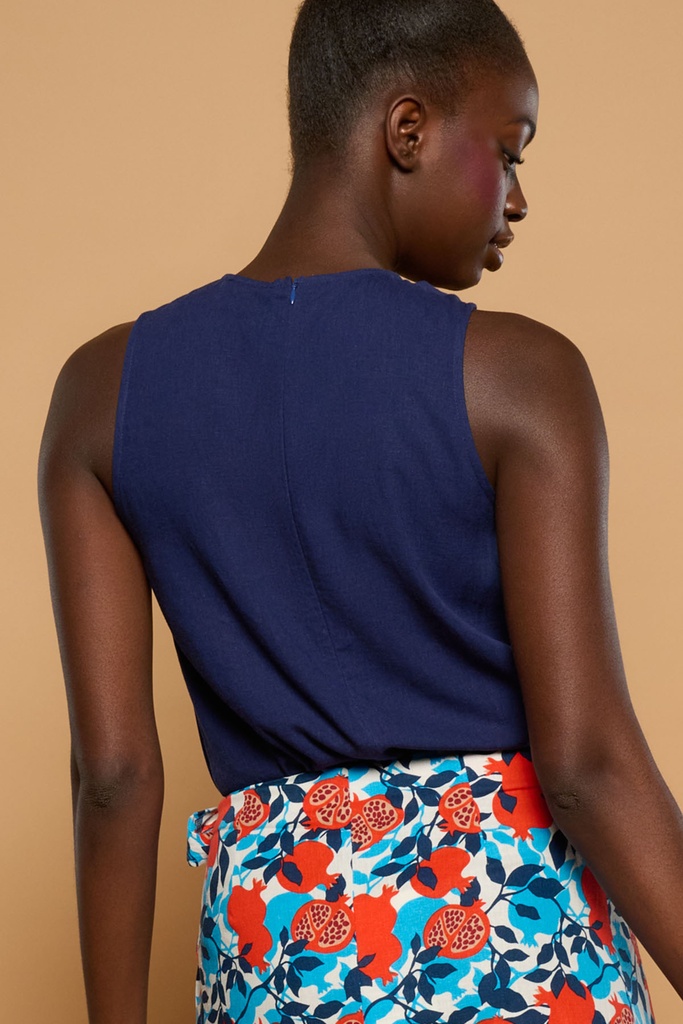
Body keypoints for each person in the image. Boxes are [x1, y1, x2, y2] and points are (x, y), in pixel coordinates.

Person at [38, 0, 683, 1022]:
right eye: (508, 151)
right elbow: (586, 767)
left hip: (280, 969)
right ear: (406, 130)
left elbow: (113, 776)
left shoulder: (99, 395)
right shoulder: (519, 378)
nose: (516, 198)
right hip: (516, 960)